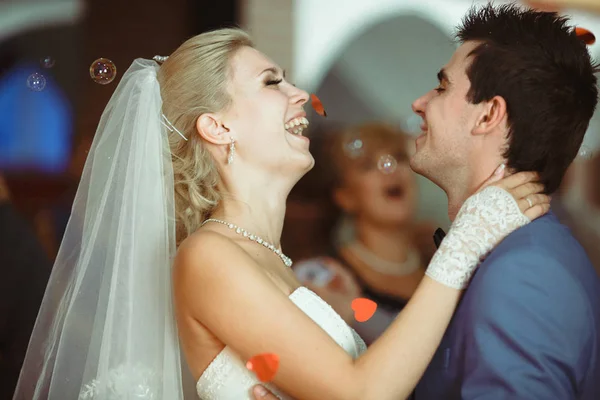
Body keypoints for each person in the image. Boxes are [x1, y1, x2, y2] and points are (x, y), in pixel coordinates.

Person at [13, 28, 548, 400]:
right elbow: (358, 390)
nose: (300, 94)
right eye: (272, 82)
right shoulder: (208, 257)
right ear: (217, 127)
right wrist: (467, 239)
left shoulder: (269, 259)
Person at [255, 3, 600, 399]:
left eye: (441, 87)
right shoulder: (499, 250)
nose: (419, 103)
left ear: (488, 116)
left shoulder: (524, 271)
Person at [292, 123, 436, 344]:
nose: (391, 169)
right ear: (345, 197)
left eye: (398, 157)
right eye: (368, 165)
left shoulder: (440, 267)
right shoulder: (324, 278)